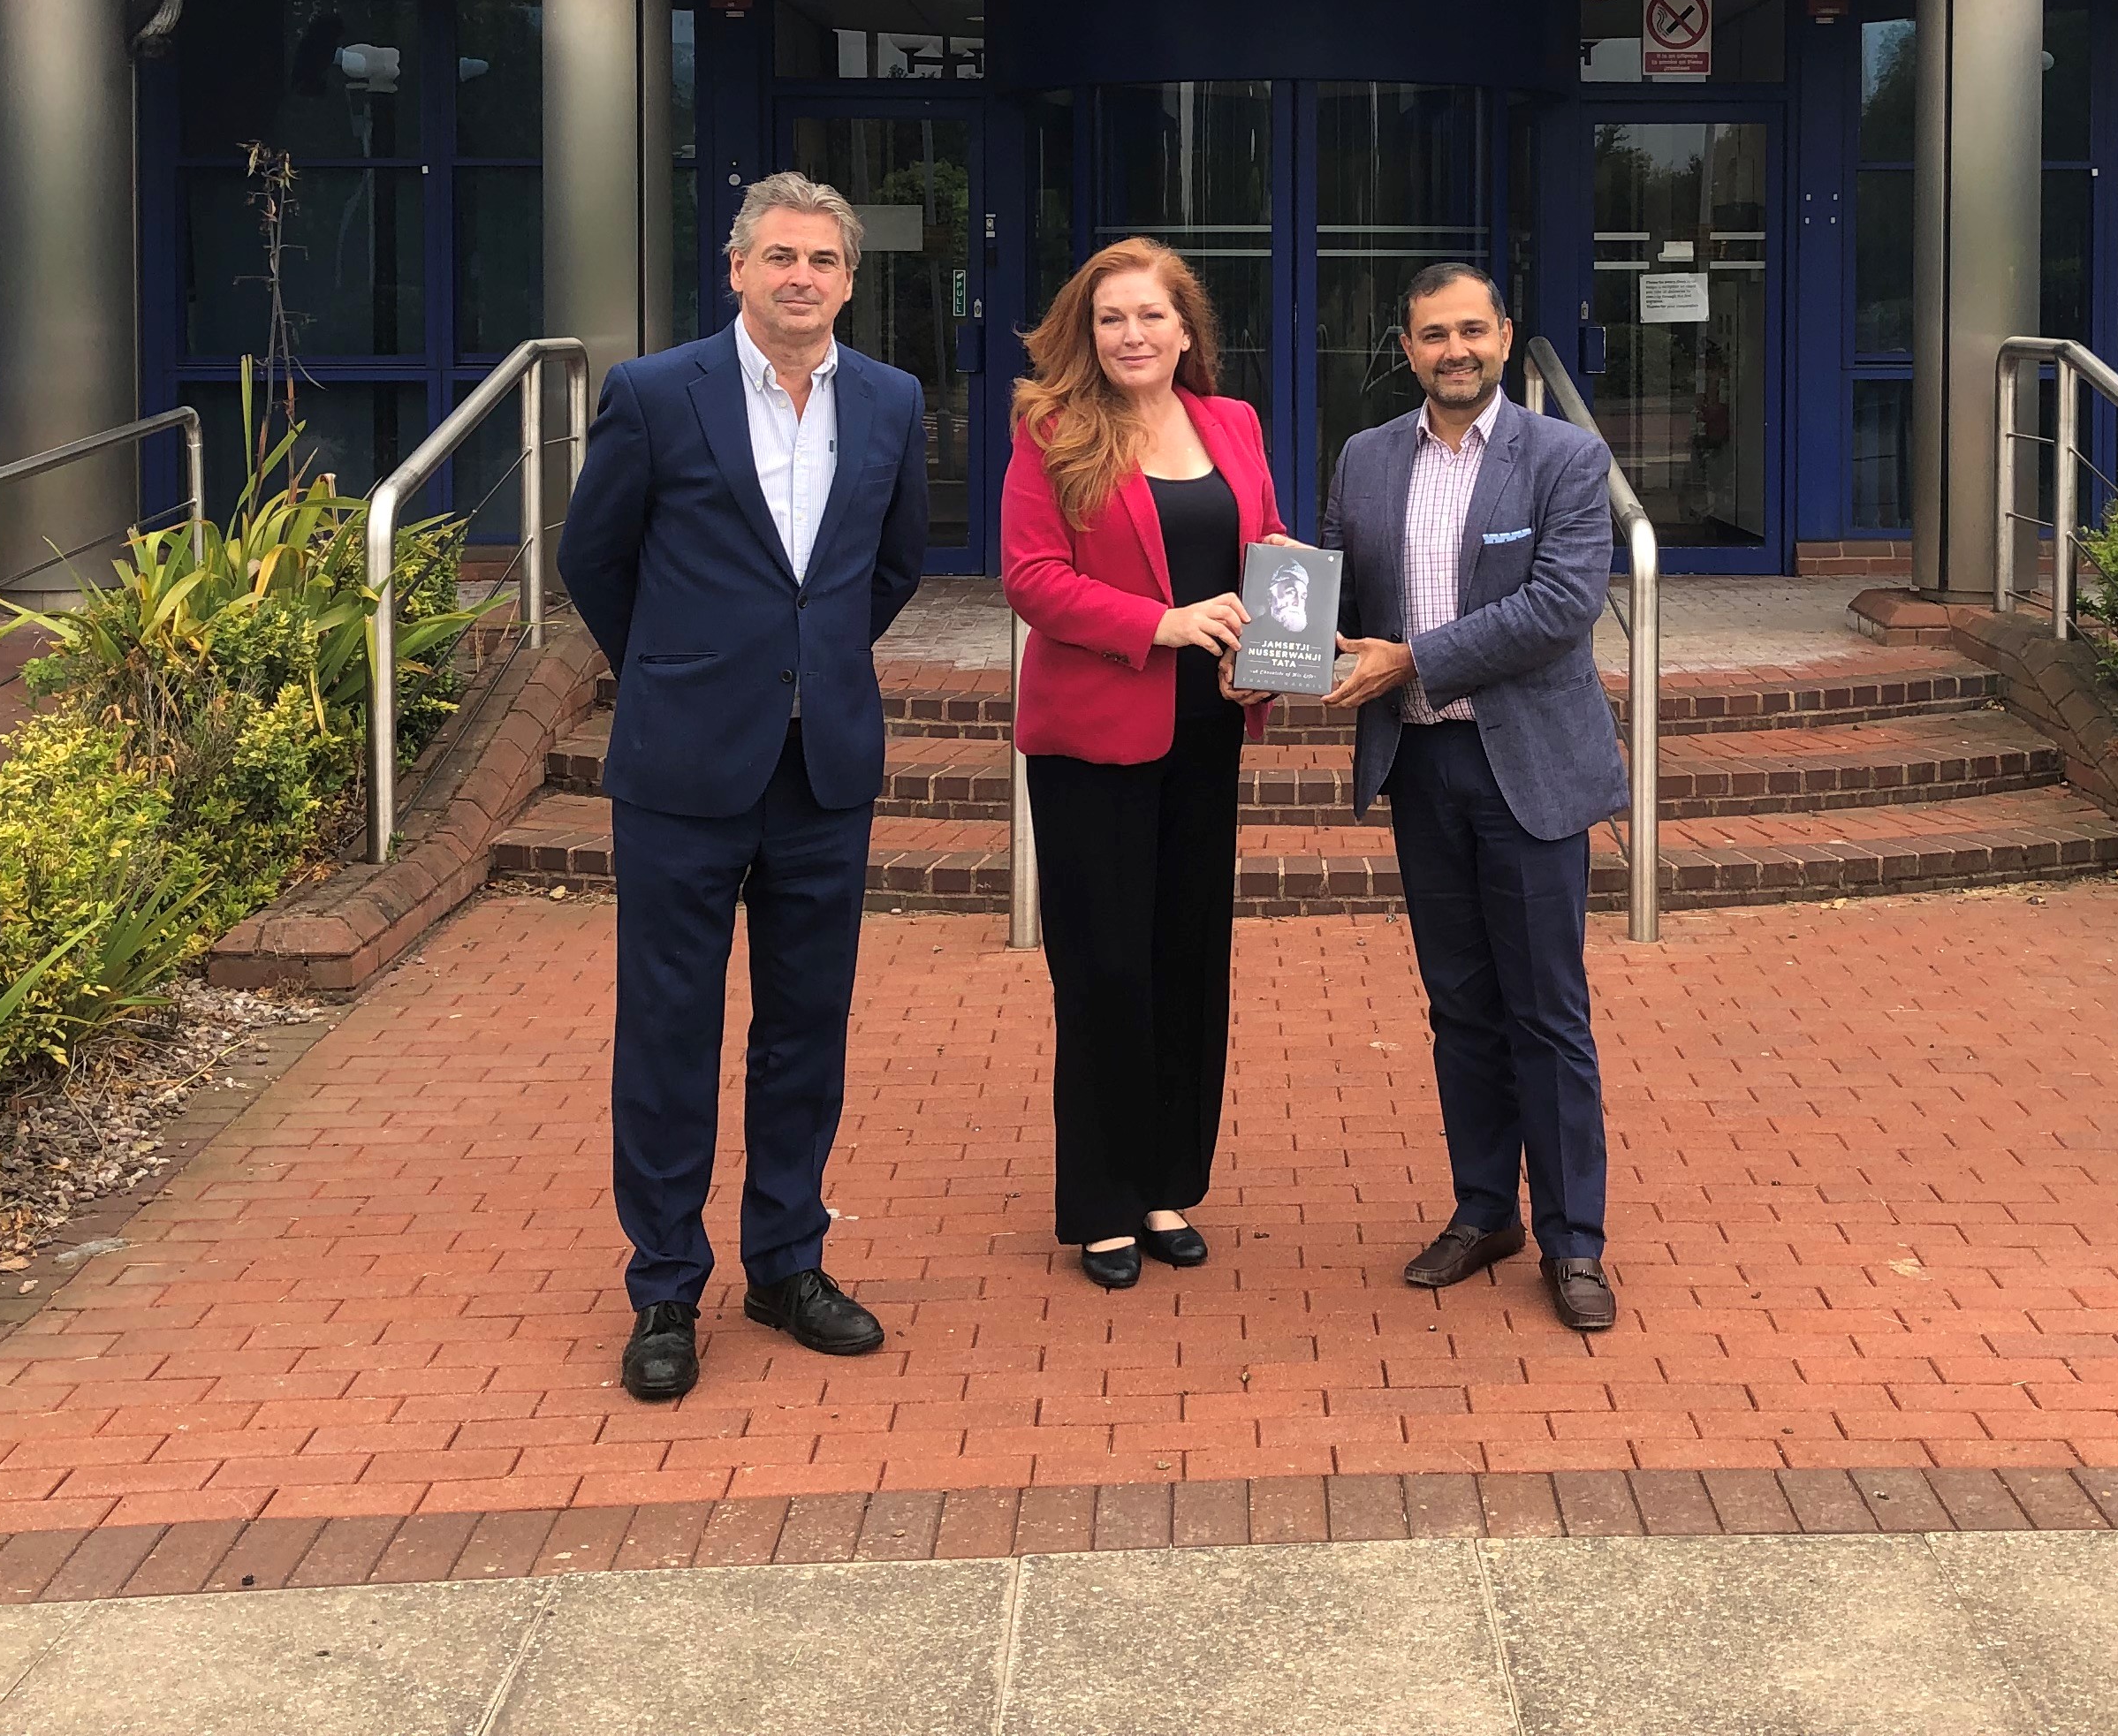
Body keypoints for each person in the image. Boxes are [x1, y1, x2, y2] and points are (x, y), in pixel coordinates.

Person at [557, 171, 931, 1403]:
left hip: (823, 765)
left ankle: (786, 1261)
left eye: (823, 260)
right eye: (778, 257)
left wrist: (803, 666)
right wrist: (676, 672)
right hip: (681, 766)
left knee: (804, 1030)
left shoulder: (887, 401)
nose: (800, 279)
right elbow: (594, 558)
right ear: (736, 271)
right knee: (669, 1031)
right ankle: (666, 1282)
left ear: (848, 279)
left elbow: (890, 569)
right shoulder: (657, 395)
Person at [1321, 261, 1628, 1333]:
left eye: (1471, 331)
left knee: (1547, 1010)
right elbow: (1338, 593)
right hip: (1420, 768)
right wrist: (1275, 634)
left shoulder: (1565, 457)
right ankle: (1485, 1208)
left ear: (1505, 335)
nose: (1453, 350)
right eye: (1430, 336)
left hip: (1529, 771)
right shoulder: (1363, 459)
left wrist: (1410, 659)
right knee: (1460, 1006)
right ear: (1403, 350)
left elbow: (1560, 607)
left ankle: (1575, 1241)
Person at [999, 239, 1287, 1289]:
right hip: (1093, 738)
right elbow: (1030, 577)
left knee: (1186, 959)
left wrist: (1271, 654)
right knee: (1106, 968)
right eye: (1112, 318)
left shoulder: (1233, 424)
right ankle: (1102, 1203)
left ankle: (1168, 1182)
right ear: (1087, 330)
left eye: (1151, 316)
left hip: (1208, 734)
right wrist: (1159, 624)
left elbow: (1266, 544)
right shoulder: (1053, 430)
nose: (1132, 335)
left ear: (1184, 329)